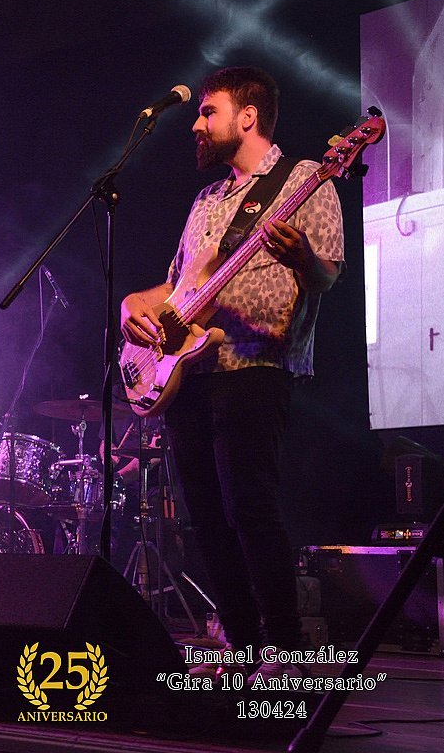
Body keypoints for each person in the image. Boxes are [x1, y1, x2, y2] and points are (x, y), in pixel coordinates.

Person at [119, 67, 344, 683]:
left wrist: (302, 257)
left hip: (256, 365)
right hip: (189, 372)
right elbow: (177, 286)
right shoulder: (205, 202)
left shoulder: (305, 179)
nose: (196, 124)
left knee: (251, 510)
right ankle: (243, 653)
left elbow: (327, 276)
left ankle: (287, 659)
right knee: (207, 521)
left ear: (247, 117)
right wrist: (133, 305)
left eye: (207, 111)